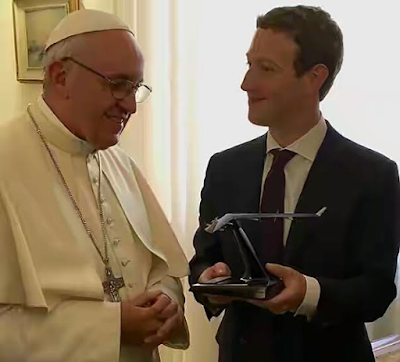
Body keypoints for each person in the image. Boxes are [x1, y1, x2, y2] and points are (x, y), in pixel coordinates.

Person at [189, 5, 400, 362]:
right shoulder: (224, 167)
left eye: (266, 69)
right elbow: (203, 260)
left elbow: (377, 291)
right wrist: (210, 283)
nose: (246, 83)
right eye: (249, 64)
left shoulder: (373, 175)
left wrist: (309, 293)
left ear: (315, 77)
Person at [0, 9, 189, 362]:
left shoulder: (120, 162)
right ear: (60, 77)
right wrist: (111, 326)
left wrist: (166, 300)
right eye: (118, 84)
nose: (130, 105)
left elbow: (162, 270)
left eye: (136, 88)